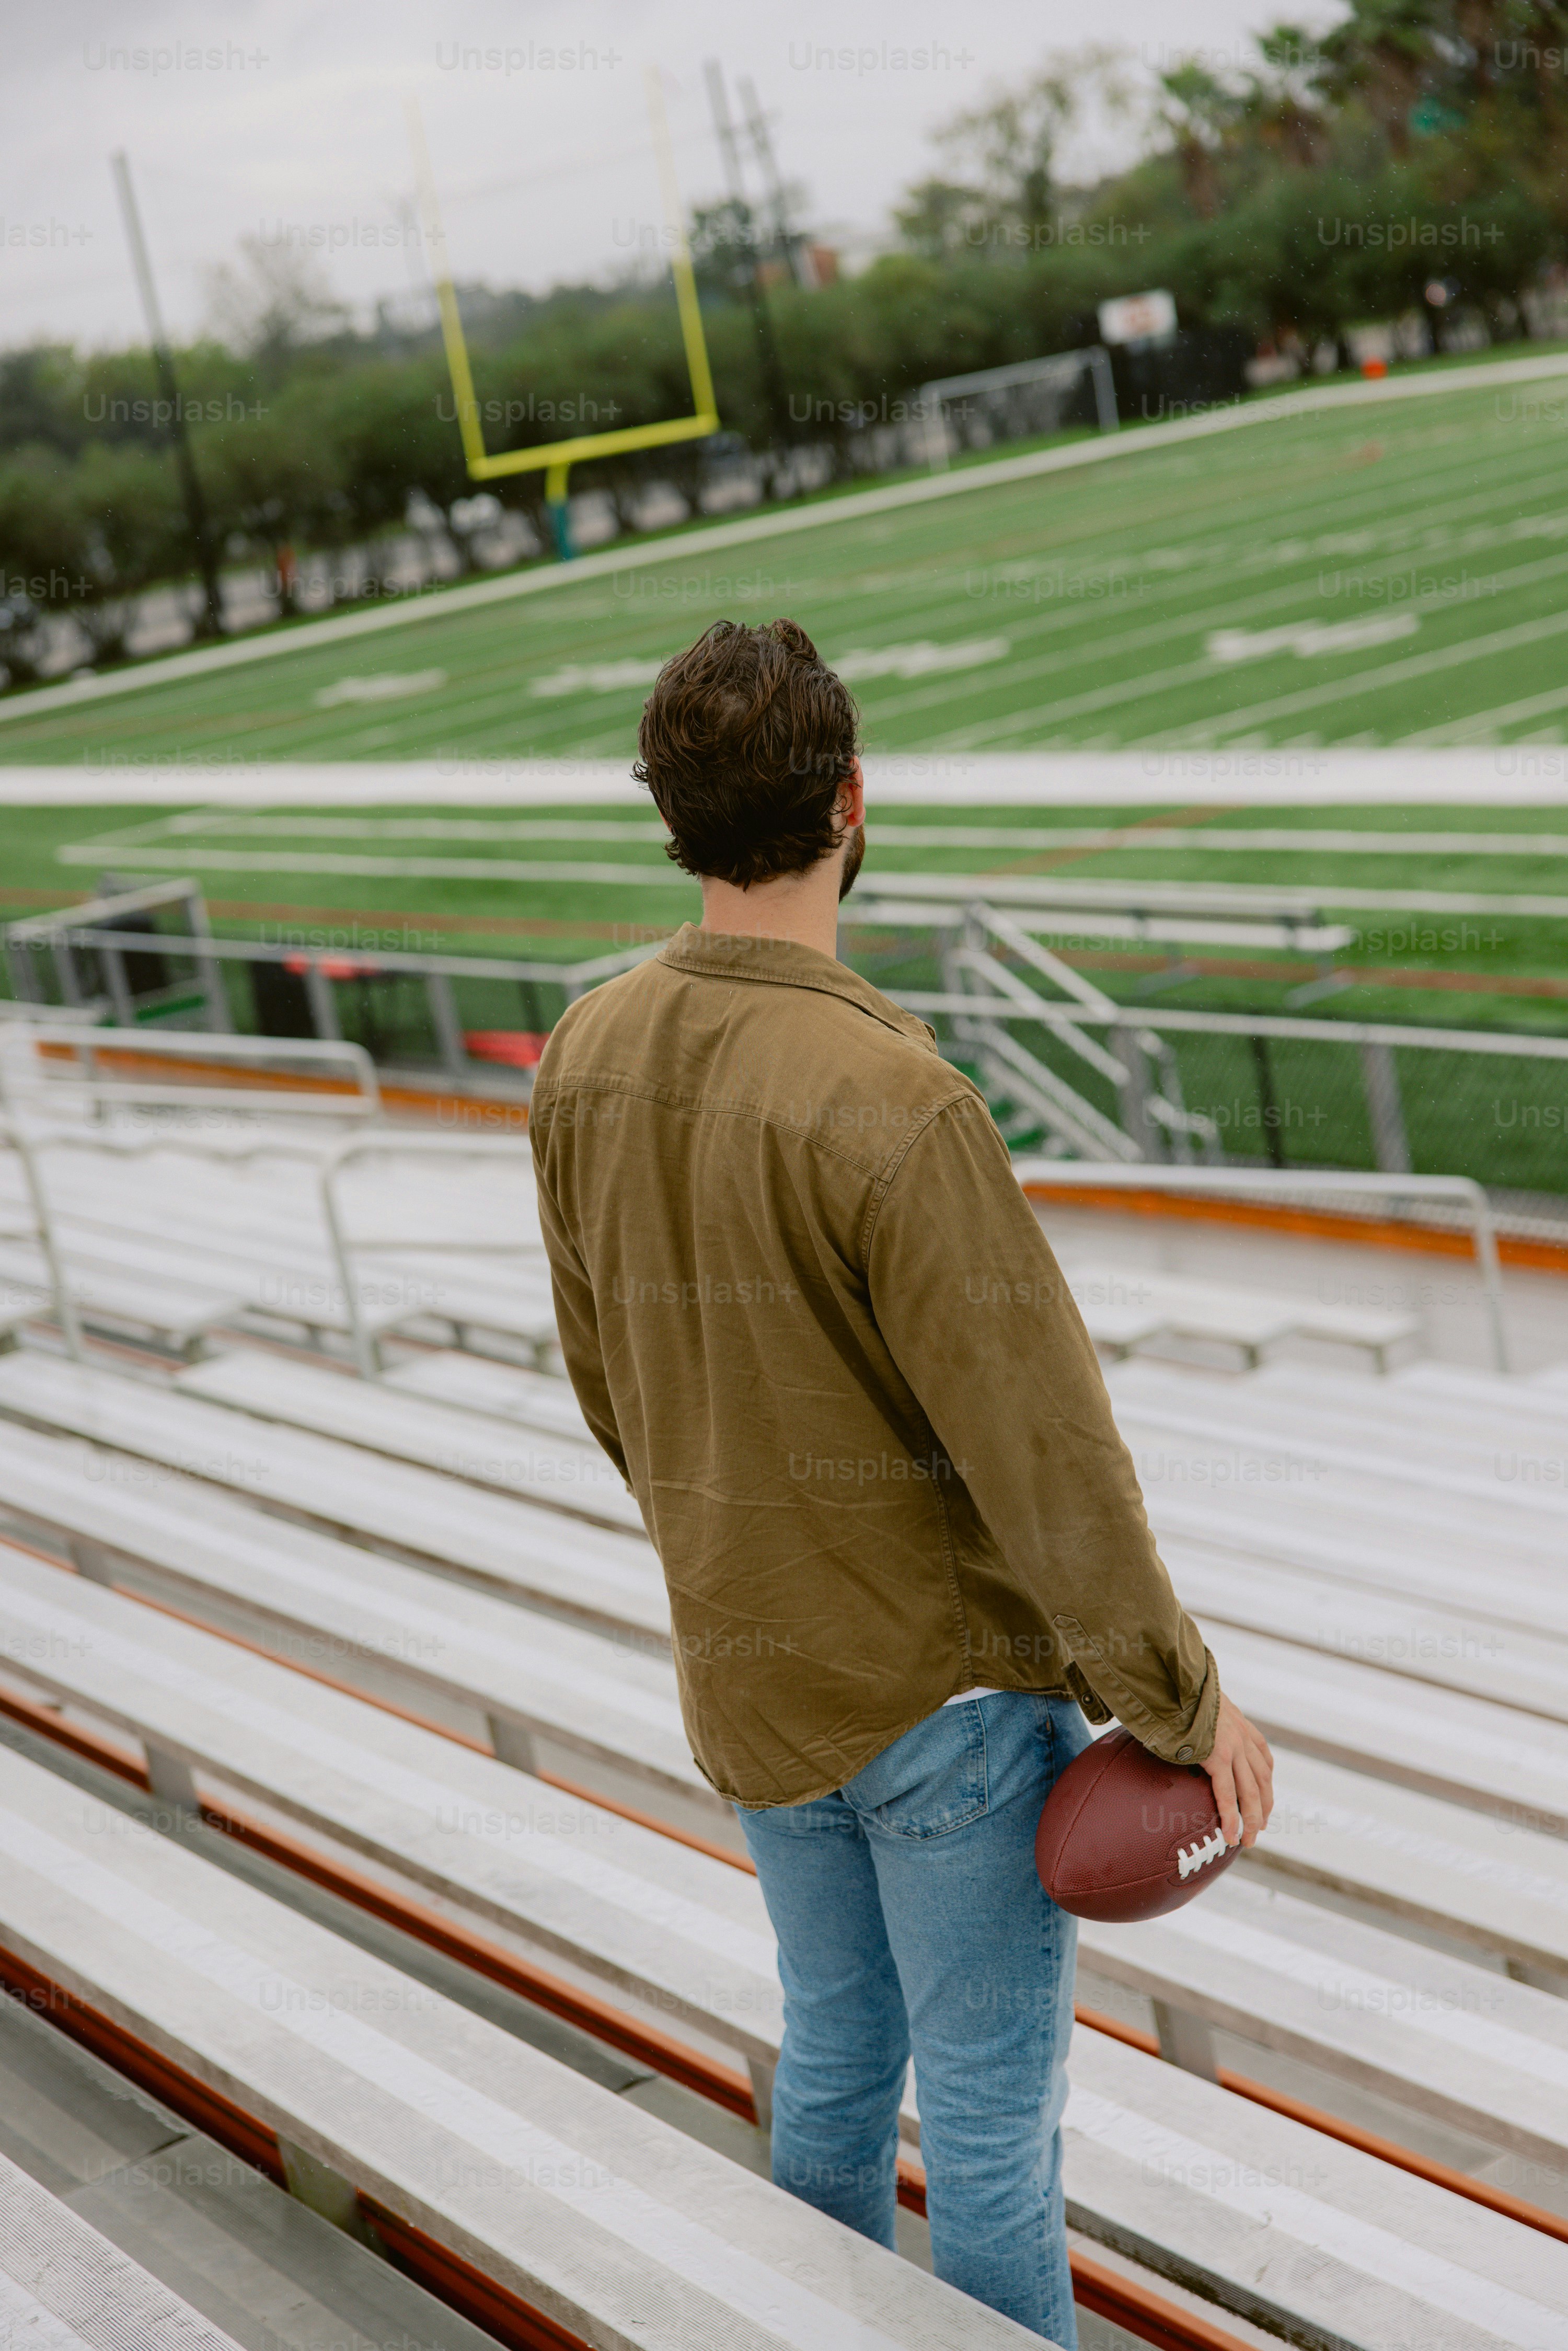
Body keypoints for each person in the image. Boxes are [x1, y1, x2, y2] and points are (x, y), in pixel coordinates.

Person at [529, 617, 1274, 2343]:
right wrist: (1182, 1698)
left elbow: (611, 1387)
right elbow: (1047, 1458)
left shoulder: (584, 1052)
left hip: (751, 1678)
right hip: (940, 1708)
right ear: (852, 800)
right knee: (993, 2134)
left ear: (674, 819)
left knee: (836, 2066)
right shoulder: (895, 1097)